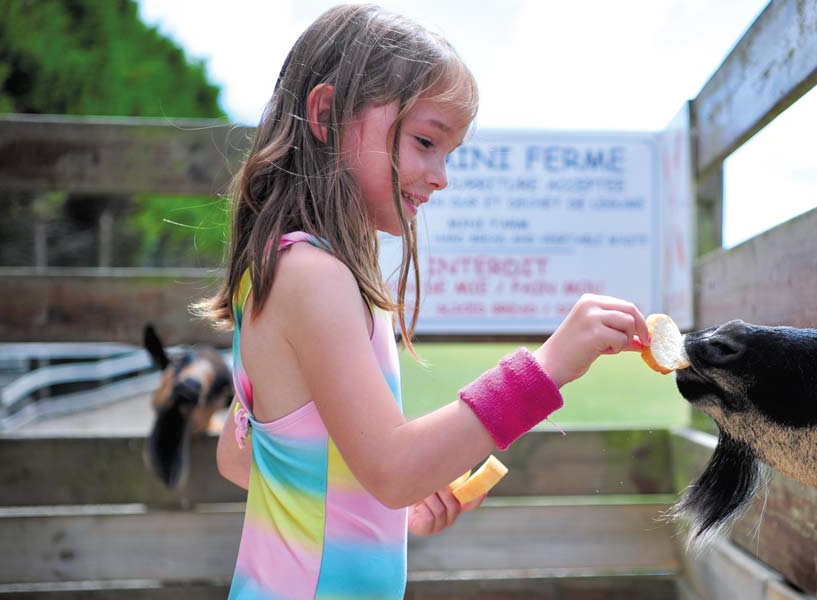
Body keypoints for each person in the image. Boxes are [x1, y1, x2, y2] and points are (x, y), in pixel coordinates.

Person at [197, 5, 651, 599]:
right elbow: (391, 466)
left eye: (449, 152)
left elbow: (245, 459)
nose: (441, 176)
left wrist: (385, 509)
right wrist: (549, 366)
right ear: (328, 114)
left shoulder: (286, 270)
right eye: (425, 141)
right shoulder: (313, 276)